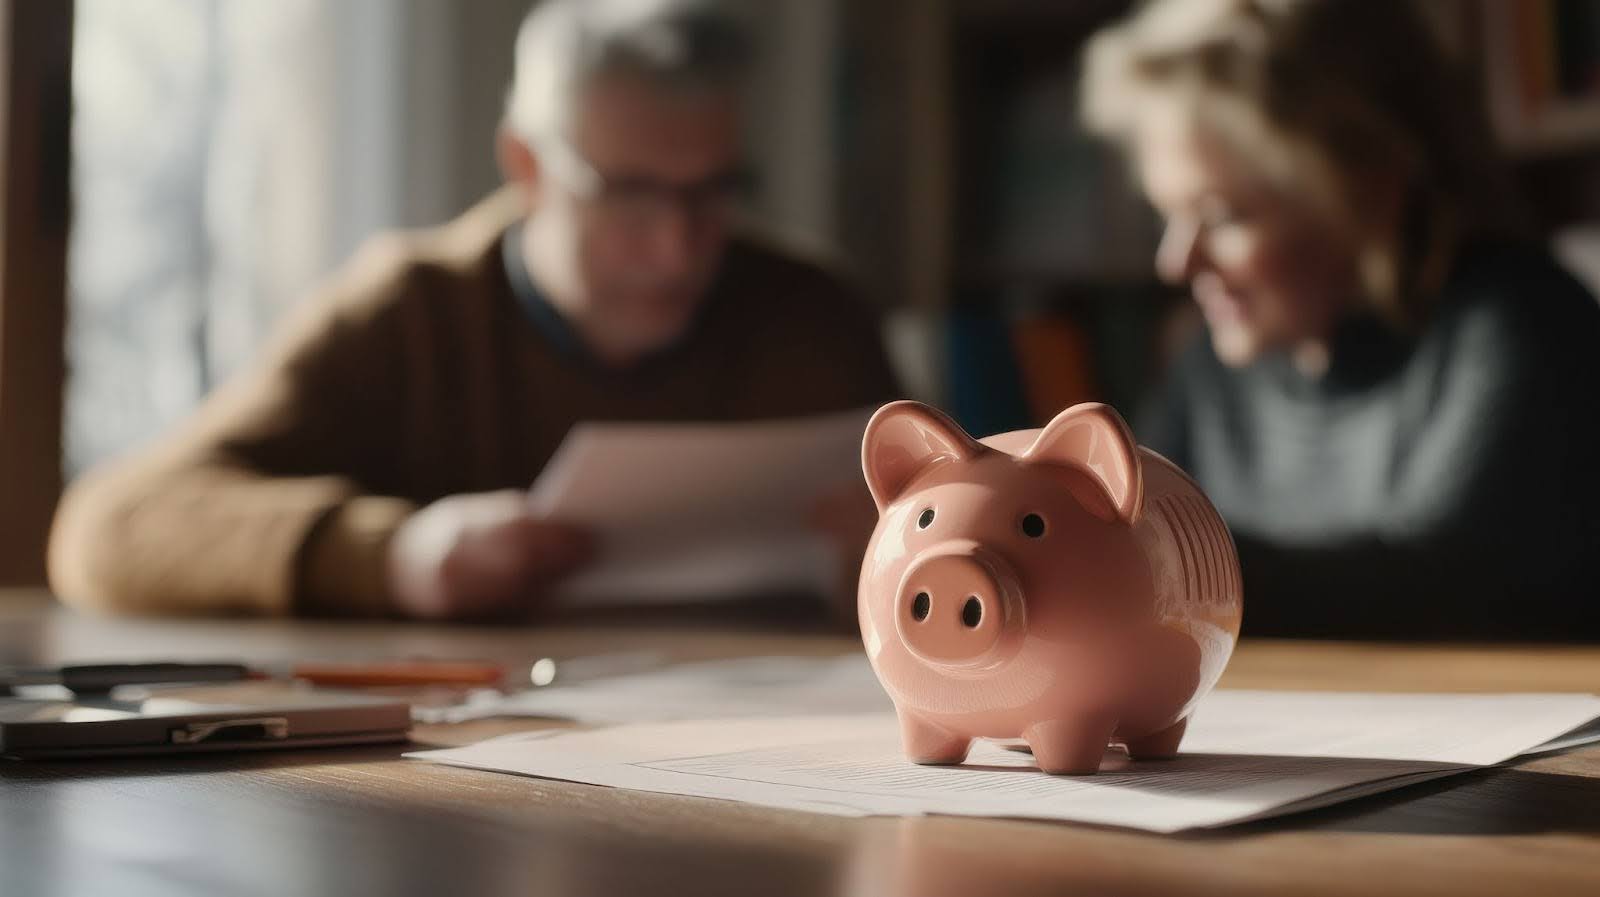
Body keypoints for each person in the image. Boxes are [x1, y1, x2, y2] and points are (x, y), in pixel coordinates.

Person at [49, 0, 900, 622]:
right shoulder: (409, 313)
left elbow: (989, 526)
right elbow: (108, 527)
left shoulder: (813, 318)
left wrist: (906, 549)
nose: (678, 247)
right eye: (631, 195)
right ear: (526, 165)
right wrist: (392, 557)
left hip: (761, 762)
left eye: (712, 192)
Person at [1081, 0, 1600, 639]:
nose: (1175, 262)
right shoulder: (1214, 362)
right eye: (1168, 215)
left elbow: (1450, 593)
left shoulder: (1523, 325)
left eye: (1221, 217)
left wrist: (1145, 567)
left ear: (1368, 182)